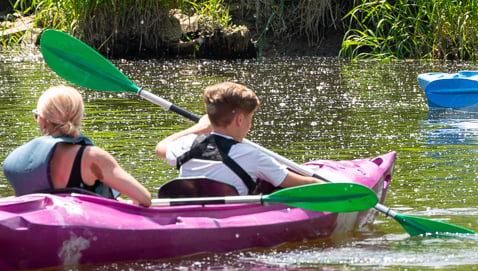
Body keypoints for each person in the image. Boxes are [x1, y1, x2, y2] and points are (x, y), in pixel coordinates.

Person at [155, 81, 318, 195]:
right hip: (230, 218)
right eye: (250, 117)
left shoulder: (186, 145)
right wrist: (336, 185)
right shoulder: (252, 155)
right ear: (240, 120)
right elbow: (300, 184)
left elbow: (161, 148)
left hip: (188, 215)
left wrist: (198, 129)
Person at [3, 86, 152, 206]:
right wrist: (119, 206)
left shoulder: (13, 160)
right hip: (88, 235)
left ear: (42, 121)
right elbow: (143, 198)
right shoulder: (92, 157)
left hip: (38, 237)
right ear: (79, 118)